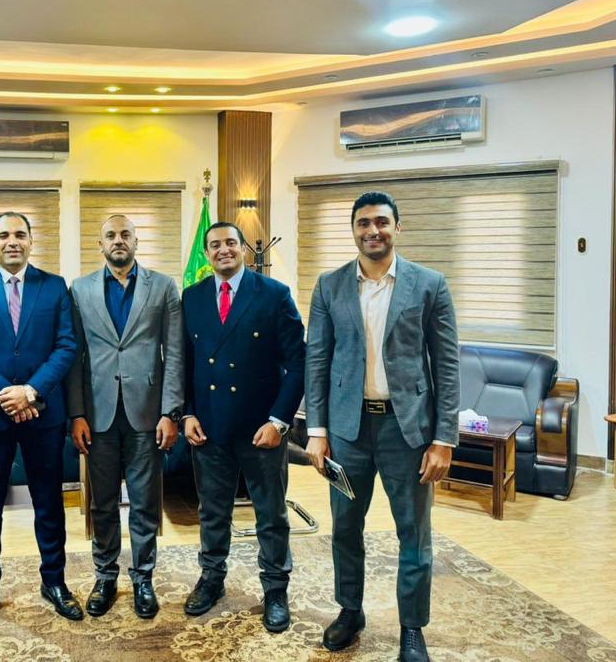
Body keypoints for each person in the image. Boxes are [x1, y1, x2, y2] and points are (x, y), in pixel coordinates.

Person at [304, 190, 459, 662]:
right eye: (364, 223)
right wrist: (317, 431)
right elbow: (317, 361)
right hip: (347, 434)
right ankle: (350, 611)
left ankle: (412, 629)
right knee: (345, 527)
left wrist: (443, 439)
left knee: (413, 533)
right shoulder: (329, 286)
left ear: (397, 228)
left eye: (381, 222)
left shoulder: (429, 285)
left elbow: (447, 366)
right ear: (353, 230)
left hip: (406, 433)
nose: (373, 230)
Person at [0, 211, 79, 633]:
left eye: (20, 234)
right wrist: (9, 394)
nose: (12, 241)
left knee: (49, 503)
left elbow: (66, 346)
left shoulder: (54, 286)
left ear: (30, 241)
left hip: (43, 414)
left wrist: (32, 391)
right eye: (3, 234)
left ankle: (54, 581)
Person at [181, 221, 306, 632]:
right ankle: (211, 578)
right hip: (209, 427)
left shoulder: (273, 294)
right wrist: (187, 413)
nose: (223, 250)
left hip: (261, 429)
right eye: (215, 245)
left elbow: (298, 362)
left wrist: (279, 421)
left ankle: (275, 589)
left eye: (231, 243)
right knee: (212, 512)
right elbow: (185, 362)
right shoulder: (193, 296)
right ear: (206, 253)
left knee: (271, 514)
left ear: (244, 249)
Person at [67, 214, 184, 619]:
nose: (118, 241)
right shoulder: (80, 289)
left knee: (145, 502)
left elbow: (175, 353)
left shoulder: (163, 287)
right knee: (101, 503)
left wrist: (171, 412)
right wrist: (76, 413)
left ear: (136, 242)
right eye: (111, 235)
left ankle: (143, 578)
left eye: (125, 235)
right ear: (100, 244)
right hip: (97, 414)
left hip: (147, 413)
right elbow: (74, 356)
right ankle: (105, 576)